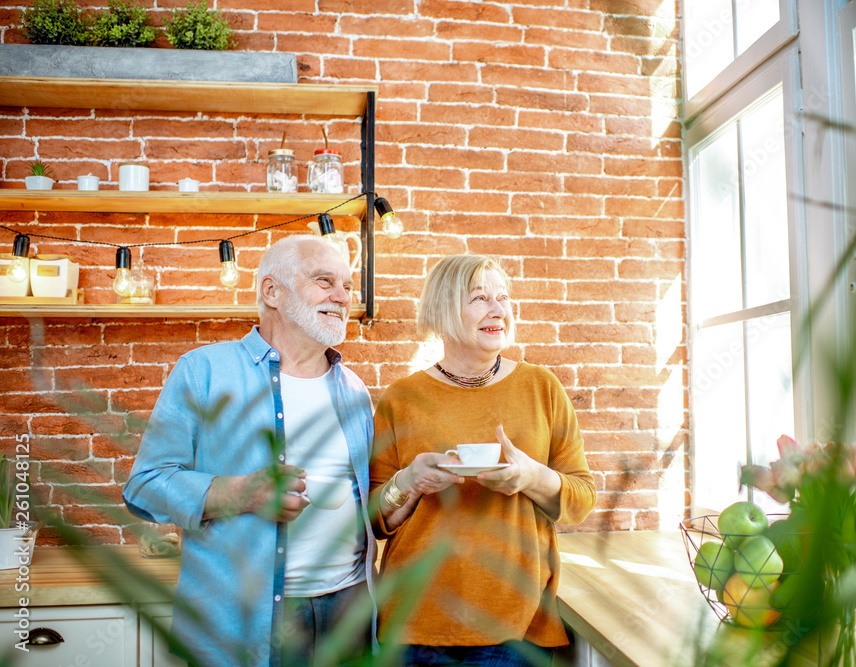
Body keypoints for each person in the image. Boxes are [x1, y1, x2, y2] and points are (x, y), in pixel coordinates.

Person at [124, 235, 378, 667]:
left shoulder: (353, 389)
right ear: (271, 291)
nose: (342, 297)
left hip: (349, 610)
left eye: (348, 286)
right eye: (324, 281)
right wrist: (241, 493)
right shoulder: (203, 371)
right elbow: (145, 486)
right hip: (249, 623)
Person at [370, 253, 596, 666]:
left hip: (516, 625)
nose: (498, 310)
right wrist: (408, 483)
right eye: (479, 298)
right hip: (414, 623)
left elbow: (580, 500)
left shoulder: (541, 387)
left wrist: (531, 476)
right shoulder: (401, 398)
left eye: (503, 298)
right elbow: (374, 519)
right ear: (442, 310)